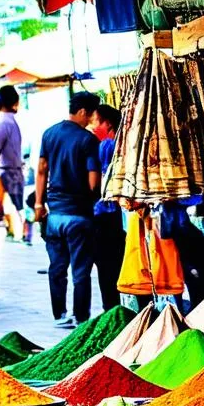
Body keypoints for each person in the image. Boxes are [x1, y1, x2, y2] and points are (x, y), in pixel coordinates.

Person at [35, 91, 101, 327]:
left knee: (57, 267)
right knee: (81, 270)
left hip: (55, 215)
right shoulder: (88, 140)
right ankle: (81, 317)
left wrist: (39, 203)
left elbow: (42, 169)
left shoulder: (49, 134)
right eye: (91, 115)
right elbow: (93, 179)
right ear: (83, 111)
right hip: (79, 215)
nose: (91, 120)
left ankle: (59, 315)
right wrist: (92, 198)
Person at [90, 103, 123, 309]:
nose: (93, 126)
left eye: (96, 121)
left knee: (106, 266)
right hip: (118, 215)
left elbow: (100, 182)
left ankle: (110, 307)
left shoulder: (107, 146)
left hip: (105, 214)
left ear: (107, 123)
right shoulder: (120, 144)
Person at [0, 85, 24, 237]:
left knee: (14, 213)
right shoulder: (12, 121)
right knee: (19, 212)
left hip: (5, 174)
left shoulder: (1, 122)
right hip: (14, 172)